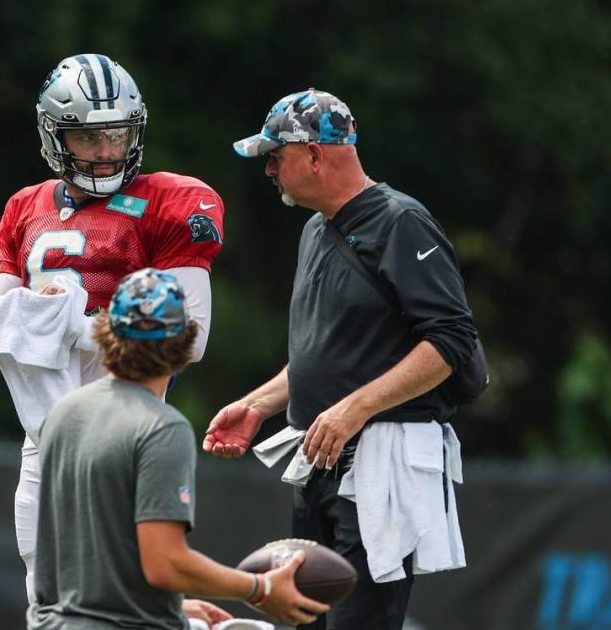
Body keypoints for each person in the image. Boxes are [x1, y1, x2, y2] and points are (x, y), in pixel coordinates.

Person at [203, 89, 475, 629]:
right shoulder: (315, 230)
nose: (270, 172)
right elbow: (322, 352)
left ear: (313, 155)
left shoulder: (401, 222)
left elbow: (451, 340)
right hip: (321, 462)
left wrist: (357, 408)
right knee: (310, 620)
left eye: (275, 158)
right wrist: (258, 405)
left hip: (382, 461)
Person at [0, 53, 225, 602]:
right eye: (87, 139)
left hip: (123, 427)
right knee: (47, 596)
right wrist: (31, 315)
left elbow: (190, 336)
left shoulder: (170, 200)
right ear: (54, 136)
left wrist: (72, 324)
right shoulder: (25, 207)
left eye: (116, 136)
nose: (105, 153)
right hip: (43, 439)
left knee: (121, 593)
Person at [28, 268, 329, 629]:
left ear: (106, 332)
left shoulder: (65, 412)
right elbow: (165, 562)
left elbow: (81, 559)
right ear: (184, 342)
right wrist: (260, 588)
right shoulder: (160, 427)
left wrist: (172, 607)